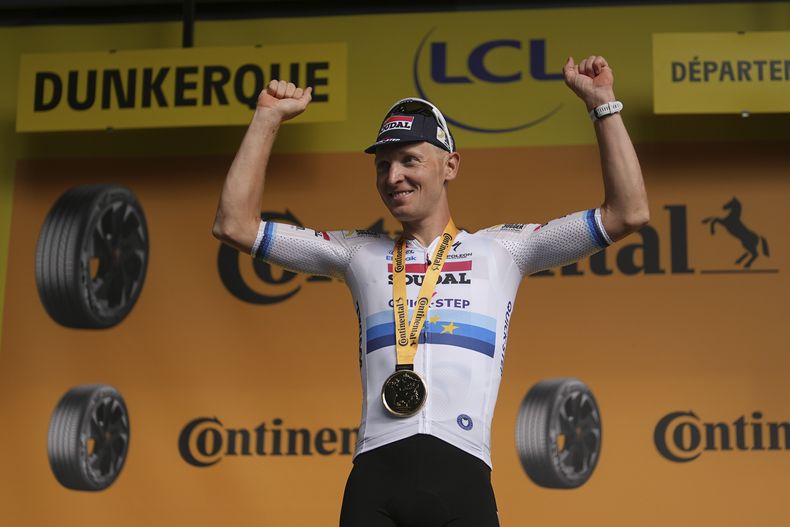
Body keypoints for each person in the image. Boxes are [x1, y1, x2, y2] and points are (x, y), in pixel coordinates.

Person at [213, 55, 648, 526]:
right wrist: (266, 118)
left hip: (462, 475)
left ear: (450, 166)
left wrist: (603, 106)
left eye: (408, 160)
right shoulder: (357, 253)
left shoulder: (504, 250)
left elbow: (627, 213)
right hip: (375, 479)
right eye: (382, 165)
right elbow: (235, 225)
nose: (393, 176)